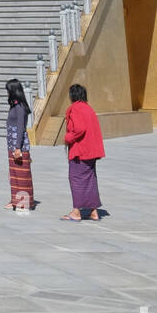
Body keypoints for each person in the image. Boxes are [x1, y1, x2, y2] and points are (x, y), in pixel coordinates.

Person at [62, 84, 105, 221]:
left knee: (76, 179)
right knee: (90, 179)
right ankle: (93, 211)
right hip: (91, 151)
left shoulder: (75, 108)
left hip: (80, 151)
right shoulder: (88, 108)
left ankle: (76, 212)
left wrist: (68, 138)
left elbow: (79, 129)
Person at [5, 78, 36, 211]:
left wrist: (18, 148)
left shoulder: (19, 108)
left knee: (22, 175)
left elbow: (20, 128)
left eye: (8, 91)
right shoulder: (15, 105)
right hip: (12, 145)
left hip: (19, 146)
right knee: (14, 175)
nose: (7, 93)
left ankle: (25, 202)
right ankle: (15, 201)